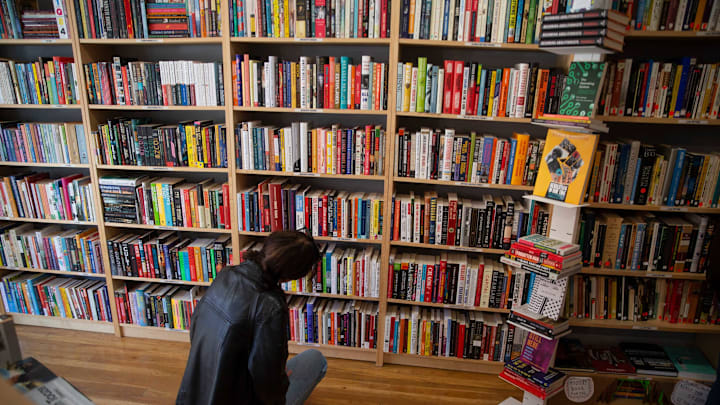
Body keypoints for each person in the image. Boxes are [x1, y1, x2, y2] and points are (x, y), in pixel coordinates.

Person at [176, 231, 327, 405]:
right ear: (292, 275)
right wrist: (280, 380)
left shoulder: (225, 274)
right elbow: (267, 382)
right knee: (316, 360)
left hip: (194, 394)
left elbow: (196, 327)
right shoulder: (270, 305)